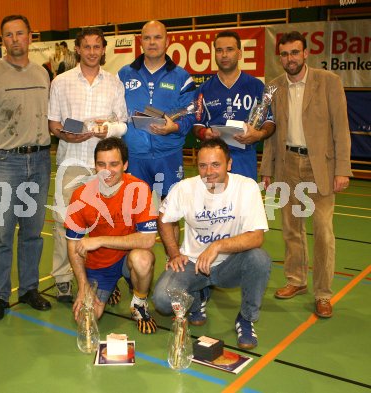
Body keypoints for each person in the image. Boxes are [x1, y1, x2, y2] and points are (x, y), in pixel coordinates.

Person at [260, 31, 352, 318]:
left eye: (295, 53)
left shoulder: (329, 82)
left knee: (323, 231)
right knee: (291, 228)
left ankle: (323, 293)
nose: (290, 59)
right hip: (287, 164)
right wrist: (267, 170)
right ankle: (296, 280)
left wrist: (342, 169)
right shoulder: (274, 87)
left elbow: (341, 129)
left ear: (305, 53)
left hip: (320, 167)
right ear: (280, 57)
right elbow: (270, 133)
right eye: (285, 54)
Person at [0, 15, 52, 321]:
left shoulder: (44, 74)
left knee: (32, 232)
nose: (15, 39)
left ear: (31, 36)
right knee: (2, 233)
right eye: (9, 35)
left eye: (20, 33)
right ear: (2, 40)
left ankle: (29, 288)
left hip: (41, 161)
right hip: (5, 164)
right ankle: (0, 296)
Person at [153, 138, 271, 349]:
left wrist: (217, 246)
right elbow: (163, 218)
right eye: (202, 165)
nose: (209, 172)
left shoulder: (246, 187)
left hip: (229, 264)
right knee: (162, 300)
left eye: (216, 164)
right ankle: (197, 295)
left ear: (229, 164)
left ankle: (246, 318)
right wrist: (173, 253)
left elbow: (256, 237)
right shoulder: (184, 188)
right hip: (192, 263)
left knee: (259, 259)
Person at [48, 27, 128, 302]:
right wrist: (65, 134)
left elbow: (123, 123)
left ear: (103, 50)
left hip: (104, 166)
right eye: (87, 47)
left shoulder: (114, 83)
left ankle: (100, 275)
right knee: (63, 222)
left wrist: (109, 130)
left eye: (97, 46)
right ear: (78, 50)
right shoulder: (60, 82)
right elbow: (54, 124)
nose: (92, 52)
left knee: (103, 224)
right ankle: (62, 278)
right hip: (72, 161)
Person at [65, 137, 158, 334]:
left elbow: (148, 239)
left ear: (125, 164)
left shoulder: (139, 188)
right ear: (94, 165)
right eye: (101, 164)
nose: (107, 171)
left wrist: (99, 240)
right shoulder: (81, 195)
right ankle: (111, 285)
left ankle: (139, 302)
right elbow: (73, 244)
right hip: (100, 264)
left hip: (128, 256)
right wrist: (83, 286)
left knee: (142, 259)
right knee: (86, 320)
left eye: (114, 164)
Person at [117, 20, 196, 199]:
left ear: (167, 42)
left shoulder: (181, 77)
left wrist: (174, 127)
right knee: (136, 215)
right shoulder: (123, 74)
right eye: (147, 38)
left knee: (168, 216)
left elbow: (191, 114)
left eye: (158, 37)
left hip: (169, 156)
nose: (152, 42)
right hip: (134, 157)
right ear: (141, 42)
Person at [191, 31, 275, 181]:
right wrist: (206, 133)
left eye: (229, 49)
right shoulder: (203, 89)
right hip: (213, 160)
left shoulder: (256, 86)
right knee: (213, 204)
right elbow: (197, 125)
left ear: (240, 53)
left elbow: (270, 121)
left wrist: (258, 135)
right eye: (219, 50)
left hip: (245, 159)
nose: (224, 55)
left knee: (244, 204)